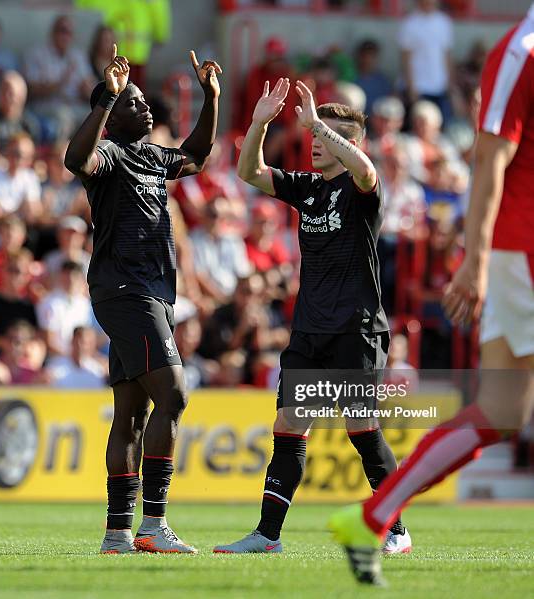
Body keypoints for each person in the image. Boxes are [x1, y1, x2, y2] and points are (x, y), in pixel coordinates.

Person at [330, 5, 534, 585]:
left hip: (518, 251)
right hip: (525, 250)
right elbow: (491, 158)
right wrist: (476, 258)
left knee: (499, 412)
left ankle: (372, 516)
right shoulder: (522, 53)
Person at [213, 78, 410, 554]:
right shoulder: (307, 190)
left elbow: (365, 170)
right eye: (315, 135)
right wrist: (260, 122)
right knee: (288, 426)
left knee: (361, 430)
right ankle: (267, 536)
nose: (316, 142)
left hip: (356, 328)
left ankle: (397, 531)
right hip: (309, 330)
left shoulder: (364, 191)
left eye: (327, 136)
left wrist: (319, 122)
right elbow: (250, 172)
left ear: (349, 142)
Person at [64, 44, 221, 553]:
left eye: (141, 102)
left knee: (131, 413)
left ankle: (117, 533)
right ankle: (154, 524)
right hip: (126, 291)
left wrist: (210, 98)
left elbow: (196, 157)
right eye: (133, 103)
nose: (146, 107)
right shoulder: (107, 156)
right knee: (174, 395)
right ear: (111, 116)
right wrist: (107, 100)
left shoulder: (152, 157)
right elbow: (74, 158)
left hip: (151, 293)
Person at [398, 0, 454, 121]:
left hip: (439, 86)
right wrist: (411, 86)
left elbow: (447, 55)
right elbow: (405, 58)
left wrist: (450, 84)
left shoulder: (444, 22)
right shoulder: (410, 23)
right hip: (418, 87)